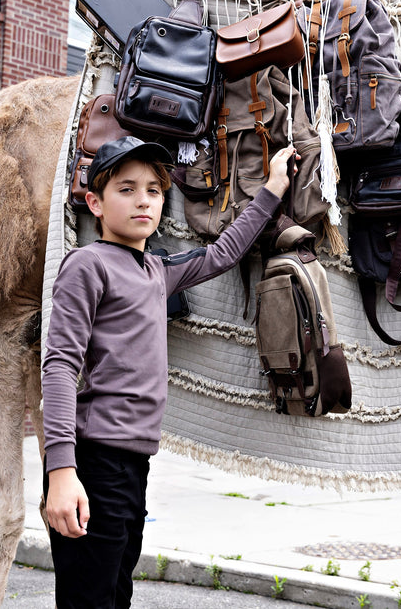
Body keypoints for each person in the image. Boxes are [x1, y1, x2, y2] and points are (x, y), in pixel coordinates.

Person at [41, 135, 296, 608]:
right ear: (94, 202)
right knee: (88, 600)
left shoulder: (157, 270)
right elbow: (59, 367)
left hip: (133, 464)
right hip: (93, 461)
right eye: (126, 188)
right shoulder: (87, 265)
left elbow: (224, 252)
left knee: (116, 593)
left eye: (154, 190)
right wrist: (60, 470)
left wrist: (274, 189)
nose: (143, 200)